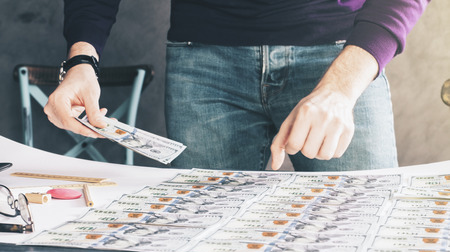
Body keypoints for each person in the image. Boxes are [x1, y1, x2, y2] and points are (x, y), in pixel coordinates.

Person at [44, 0, 430, 171]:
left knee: (363, 231)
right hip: (203, 62)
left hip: (340, 58)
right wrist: (81, 59)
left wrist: (341, 88)